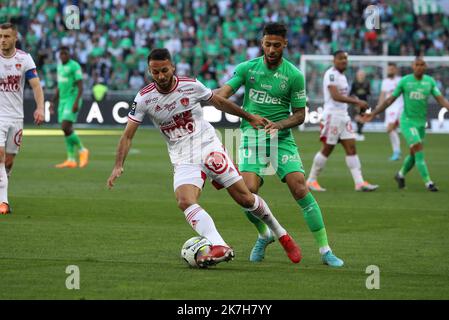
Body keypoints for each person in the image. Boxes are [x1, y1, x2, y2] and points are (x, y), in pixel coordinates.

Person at [107, 48, 301, 267]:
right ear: (149, 71)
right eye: (155, 72)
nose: (160, 76)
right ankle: (219, 244)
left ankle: (281, 234)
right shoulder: (144, 98)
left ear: (172, 67)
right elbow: (127, 134)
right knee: (184, 201)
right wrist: (118, 165)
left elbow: (218, 101)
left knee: (245, 199)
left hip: (208, 147)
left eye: (164, 70)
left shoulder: (191, 85)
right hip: (182, 156)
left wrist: (249, 117)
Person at [214, 23, 344, 267]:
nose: (271, 49)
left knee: (300, 189)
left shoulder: (294, 75)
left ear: (285, 44)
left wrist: (280, 125)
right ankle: (264, 235)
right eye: (267, 44)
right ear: (262, 43)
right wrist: (206, 96)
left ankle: (325, 250)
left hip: (281, 139)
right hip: (252, 138)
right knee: (247, 194)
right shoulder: (247, 68)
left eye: (276, 44)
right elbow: (221, 95)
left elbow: (300, 115)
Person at [363, 57, 449, 191]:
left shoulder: (429, 82)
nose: (420, 67)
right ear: (412, 66)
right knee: (419, 149)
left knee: (414, 155)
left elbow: (441, 100)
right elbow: (389, 100)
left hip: (421, 123)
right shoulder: (405, 81)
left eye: (422, 65)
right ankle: (428, 182)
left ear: (425, 67)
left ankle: (400, 174)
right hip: (407, 121)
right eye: (417, 64)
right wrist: (374, 113)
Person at [306, 50, 378, 193]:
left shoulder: (342, 76)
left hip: (343, 116)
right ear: (334, 60)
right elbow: (335, 96)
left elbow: (343, 96)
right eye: (340, 58)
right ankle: (311, 180)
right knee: (327, 149)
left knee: (351, 148)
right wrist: (357, 101)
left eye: (345, 58)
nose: (344, 61)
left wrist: (356, 102)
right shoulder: (331, 74)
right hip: (332, 116)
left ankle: (359, 183)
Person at [0, 23, 44, 214]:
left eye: (7, 36)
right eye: (0, 36)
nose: (3, 40)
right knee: (0, 157)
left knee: (8, 162)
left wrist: (40, 107)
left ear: (15, 38)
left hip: (16, 117)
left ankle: (2, 189)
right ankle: (4, 202)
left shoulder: (24, 59)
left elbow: (35, 86)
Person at [50, 46, 89, 168]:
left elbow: (81, 86)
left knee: (65, 126)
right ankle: (71, 159)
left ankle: (83, 150)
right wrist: (52, 101)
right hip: (62, 100)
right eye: (61, 54)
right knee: (66, 130)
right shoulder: (59, 67)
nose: (63, 56)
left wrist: (76, 102)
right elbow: (59, 86)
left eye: (65, 54)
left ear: (69, 54)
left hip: (72, 99)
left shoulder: (75, 66)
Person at [377, 63, 403, 161]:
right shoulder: (385, 82)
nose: (390, 71)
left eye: (392, 69)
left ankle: (398, 151)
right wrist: (378, 109)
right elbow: (382, 95)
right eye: (389, 69)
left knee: (390, 129)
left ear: (396, 70)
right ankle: (397, 151)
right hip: (389, 109)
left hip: (399, 108)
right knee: (391, 130)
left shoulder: (400, 80)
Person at [350, 69, 371, 141]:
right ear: (357, 75)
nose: (361, 76)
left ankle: (359, 133)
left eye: (362, 74)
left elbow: (369, 93)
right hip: (356, 103)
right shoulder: (354, 83)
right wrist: (355, 100)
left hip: (364, 103)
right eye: (360, 74)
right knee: (357, 117)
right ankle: (359, 133)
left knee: (363, 118)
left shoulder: (367, 83)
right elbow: (351, 94)